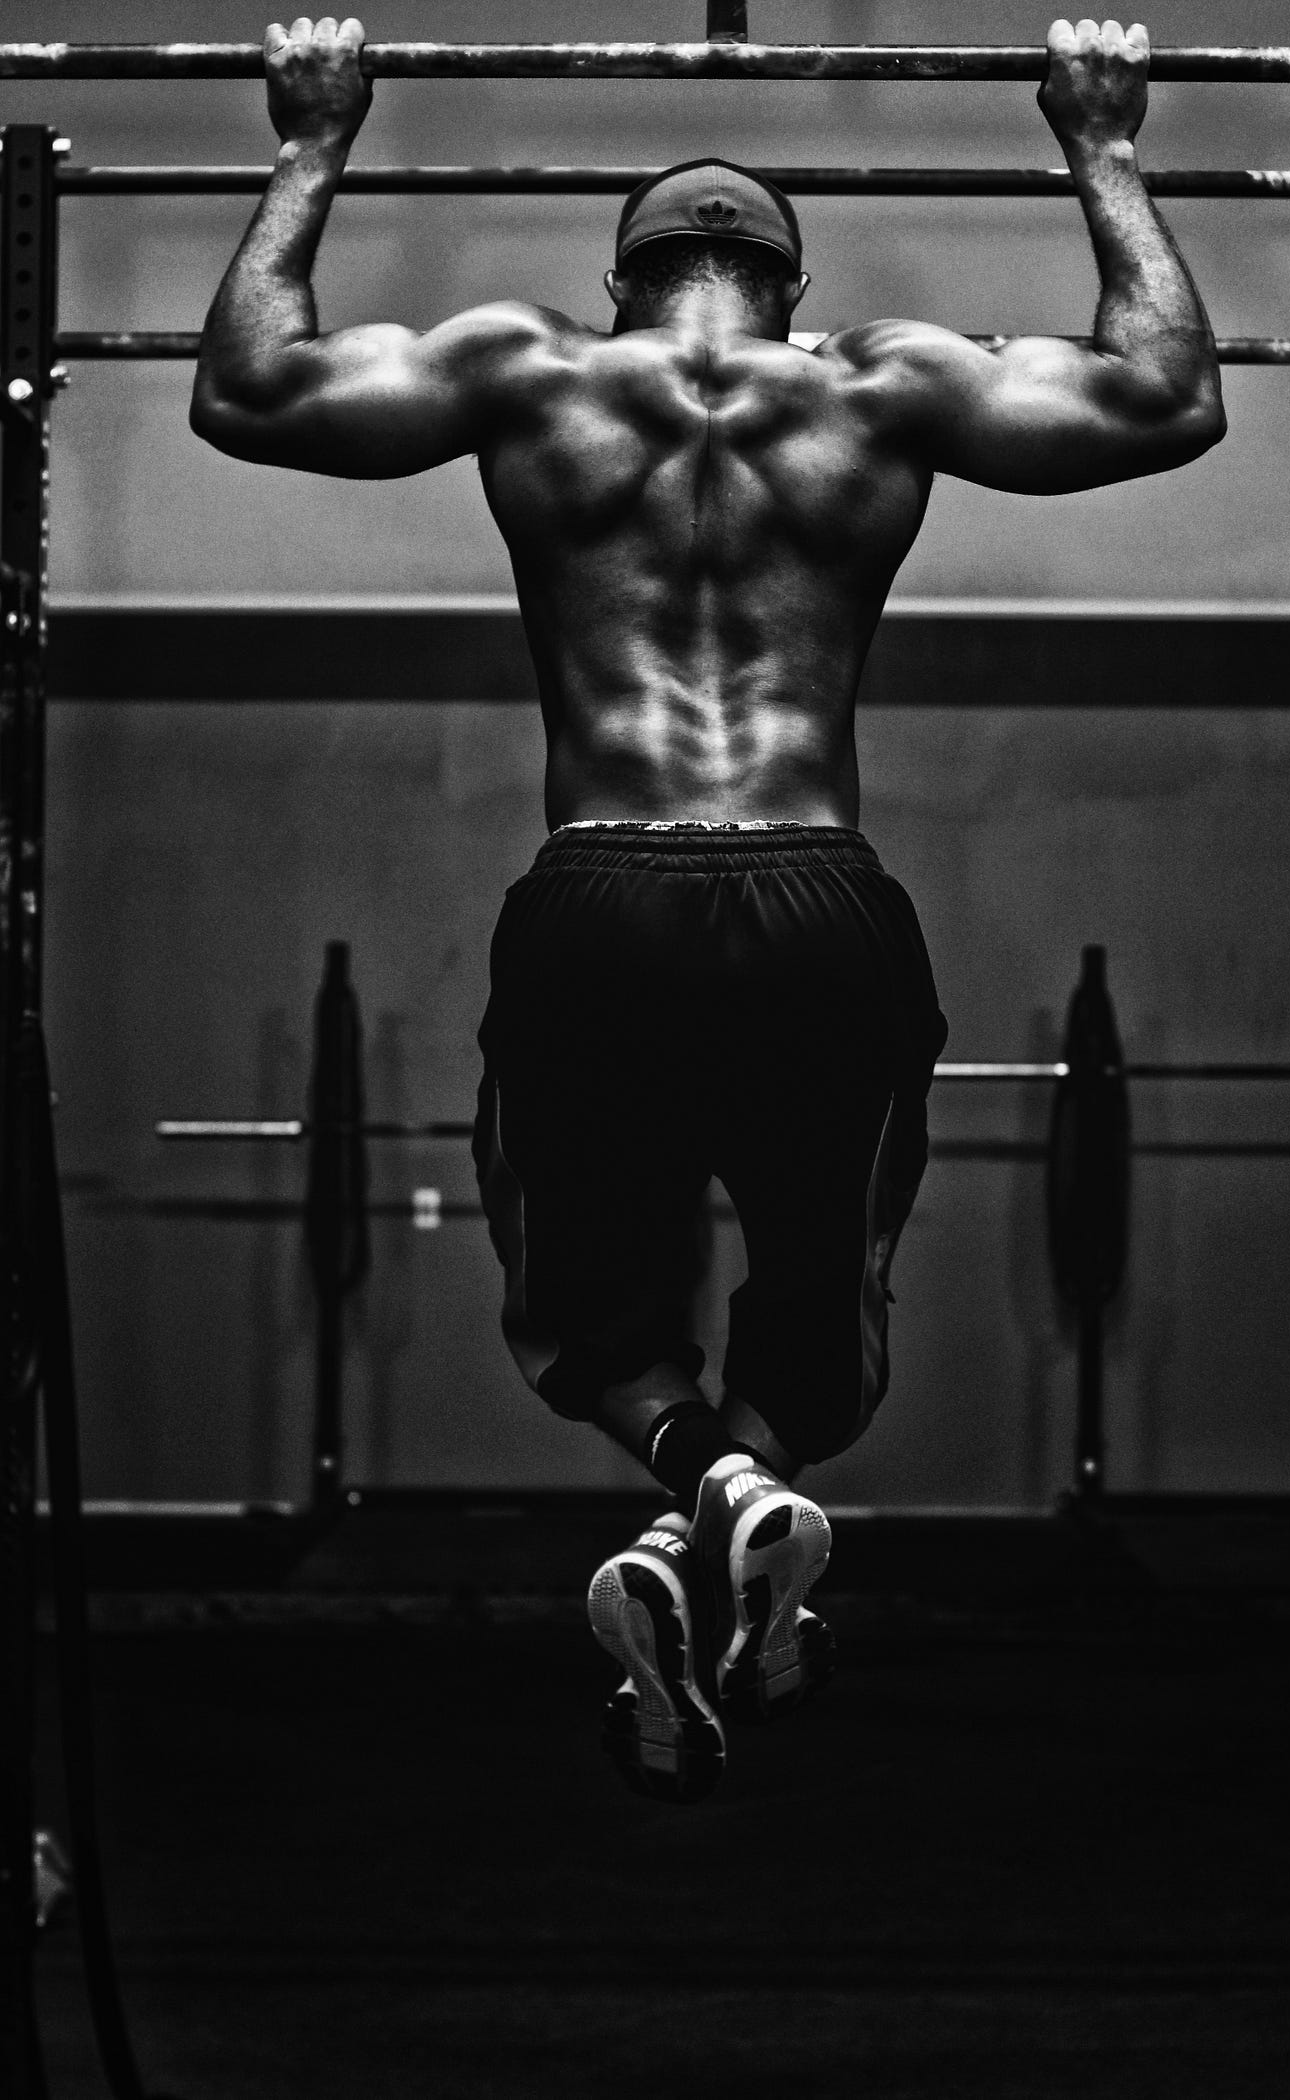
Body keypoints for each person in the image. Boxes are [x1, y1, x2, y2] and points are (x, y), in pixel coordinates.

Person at [191, 15, 1225, 1804]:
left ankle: (699, 1489)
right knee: (831, 1302)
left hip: (601, 891)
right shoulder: (886, 381)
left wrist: (311, 137)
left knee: (583, 1316)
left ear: (621, 278)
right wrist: (1105, 143)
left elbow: (250, 389)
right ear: (790, 277)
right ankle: (740, 1493)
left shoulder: (528, 372)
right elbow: (1167, 396)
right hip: (822, 892)